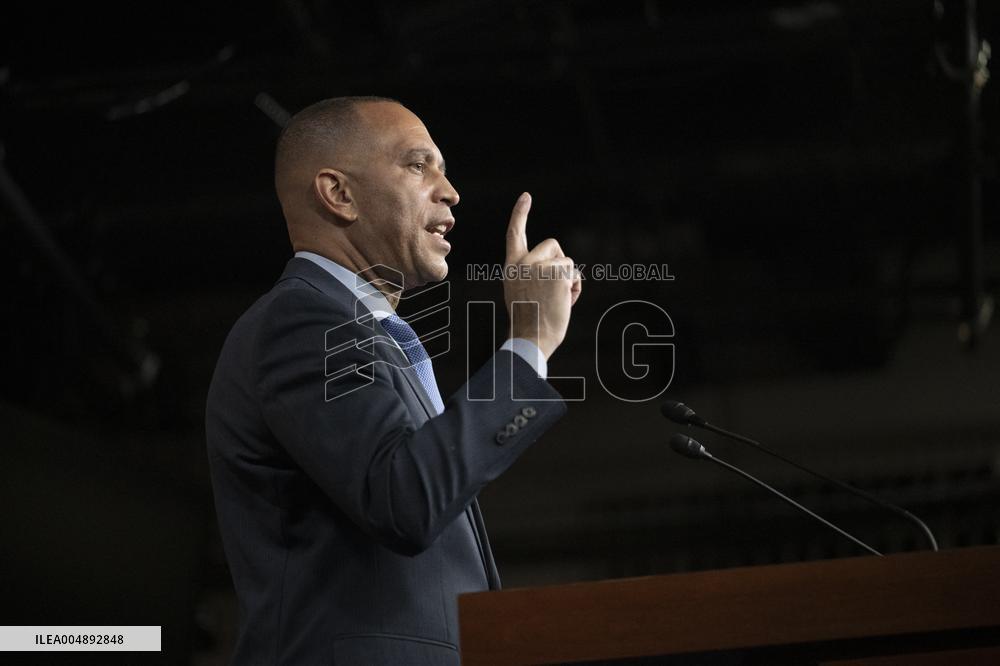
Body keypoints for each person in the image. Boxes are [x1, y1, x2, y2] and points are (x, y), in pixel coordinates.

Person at [206, 95, 581, 664]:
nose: (450, 191)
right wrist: (529, 342)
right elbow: (404, 498)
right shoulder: (302, 321)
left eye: (444, 168)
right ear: (339, 195)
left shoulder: (366, 332)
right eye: (417, 164)